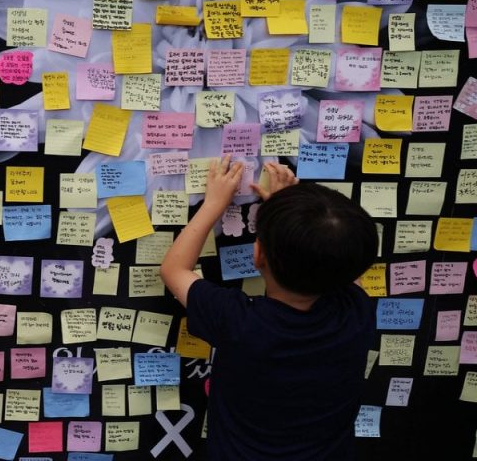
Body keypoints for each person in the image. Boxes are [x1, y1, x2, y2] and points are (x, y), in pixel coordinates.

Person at [160, 157, 378, 461]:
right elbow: (332, 261)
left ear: (257, 253)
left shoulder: (238, 322)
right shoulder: (356, 311)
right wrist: (283, 213)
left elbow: (173, 269)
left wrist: (213, 205)